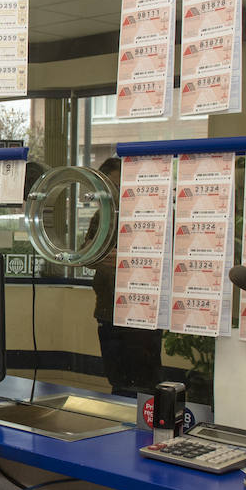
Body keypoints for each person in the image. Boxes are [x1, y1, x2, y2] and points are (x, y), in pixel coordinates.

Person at [88, 157, 163, 396]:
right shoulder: (102, 218)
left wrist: (124, 259)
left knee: (143, 382)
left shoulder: (150, 217)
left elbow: (158, 261)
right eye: (109, 188)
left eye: (119, 187)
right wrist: (102, 257)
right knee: (117, 379)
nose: (115, 194)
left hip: (140, 317)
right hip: (108, 312)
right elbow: (87, 253)